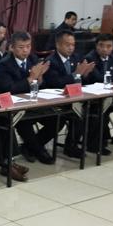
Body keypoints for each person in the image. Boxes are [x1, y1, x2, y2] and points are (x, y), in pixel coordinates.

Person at [0, 32, 59, 171]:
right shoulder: (4, 64)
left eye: (28, 46)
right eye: (21, 47)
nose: (25, 50)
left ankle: (30, 147)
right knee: (24, 121)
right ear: (12, 48)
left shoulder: (33, 59)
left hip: (32, 102)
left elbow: (42, 84)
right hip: (11, 107)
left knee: (57, 117)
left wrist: (39, 78)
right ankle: (38, 150)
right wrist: (31, 78)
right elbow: (9, 89)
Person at [42, 30, 96, 158]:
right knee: (78, 112)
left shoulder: (76, 58)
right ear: (58, 45)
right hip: (55, 101)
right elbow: (56, 83)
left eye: (73, 45)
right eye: (67, 45)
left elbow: (82, 81)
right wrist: (76, 74)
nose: (71, 48)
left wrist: (85, 74)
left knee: (92, 108)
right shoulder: (51, 61)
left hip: (73, 98)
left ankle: (76, 144)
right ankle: (70, 146)